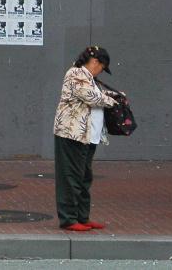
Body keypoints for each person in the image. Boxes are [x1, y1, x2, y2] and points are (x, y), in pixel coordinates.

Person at [53, 45, 120, 231]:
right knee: (71, 177)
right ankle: (68, 218)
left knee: (84, 177)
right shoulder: (76, 73)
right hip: (72, 135)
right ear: (95, 62)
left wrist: (115, 95)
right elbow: (91, 97)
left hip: (87, 137)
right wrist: (112, 101)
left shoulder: (89, 78)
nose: (101, 71)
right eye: (102, 67)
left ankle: (82, 216)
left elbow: (97, 94)